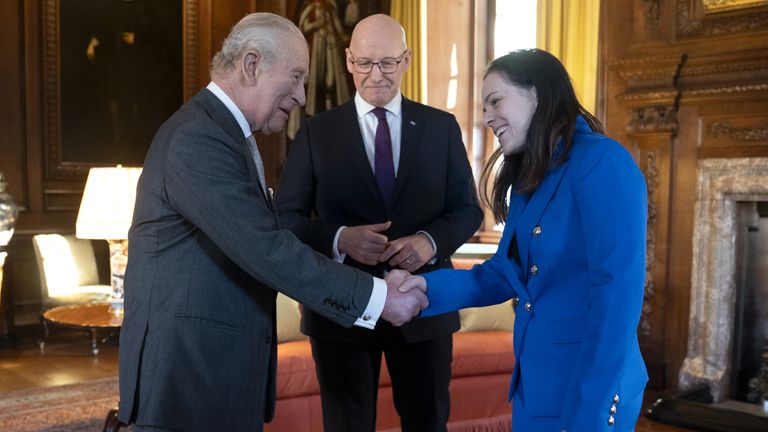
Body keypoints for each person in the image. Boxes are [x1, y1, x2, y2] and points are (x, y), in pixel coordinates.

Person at [117, 13, 428, 432]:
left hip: (213, 381)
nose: (302, 95)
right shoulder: (199, 139)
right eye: (296, 76)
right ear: (251, 65)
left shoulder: (227, 135)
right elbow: (266, 248)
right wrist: (379, 298)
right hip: (187, 385)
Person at [399, 49, 649, 431]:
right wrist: (423, 288)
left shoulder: (603, 162)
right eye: (484, 107)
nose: (486, 118)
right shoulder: (530, 176)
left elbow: (617, 299)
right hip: (535, 387)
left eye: (495, 101)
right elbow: (504, 273)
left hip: (587, 395)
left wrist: (587, 414)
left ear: (538, 93)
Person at [275, 14, 482, 432]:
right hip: (341, 310)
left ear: (406, 60)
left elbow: (468, 209)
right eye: (366, 63)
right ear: (349, 61)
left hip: (424, 304)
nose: (376, 75)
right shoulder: (316, 132)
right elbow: (284, 218)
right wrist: (339, 238)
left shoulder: (440, 127)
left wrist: (428, 242)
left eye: (387, 63)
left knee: (428, 423)